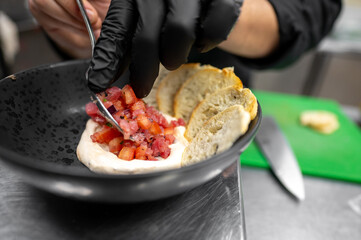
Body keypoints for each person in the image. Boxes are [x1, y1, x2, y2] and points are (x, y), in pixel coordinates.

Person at [28, 0, 341, 98]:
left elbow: (313, 7)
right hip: (87, 92)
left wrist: (220, 10)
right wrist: (72, 23)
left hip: (214, 103)